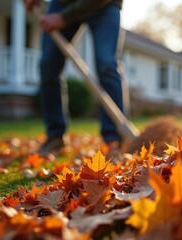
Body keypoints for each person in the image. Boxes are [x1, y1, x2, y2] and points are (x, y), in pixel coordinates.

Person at [24, 0, 124, 155]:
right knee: (48, 65)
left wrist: (65, 17)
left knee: (106, 64)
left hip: (105, 5)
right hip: (63, 2)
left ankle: (114, 137)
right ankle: (55, 136)